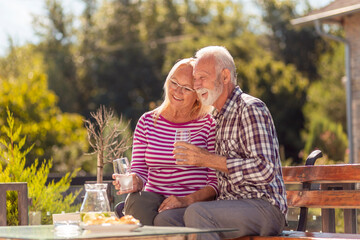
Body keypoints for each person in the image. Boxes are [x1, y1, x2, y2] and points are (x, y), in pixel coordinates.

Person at [168, 46, 287, 239]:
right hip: (227, 207)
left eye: (202, 77)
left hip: (264, 208)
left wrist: (207, 160)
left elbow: (265, 169)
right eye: (195, 79)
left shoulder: (250, 108)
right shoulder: (217, 117)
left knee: (198, 213)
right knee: (167, 220)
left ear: (225, 76)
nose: (196, 85)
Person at [112, 58, 219, 226]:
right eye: (174, 82)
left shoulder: (208, 124)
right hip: (154, 198)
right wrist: (134, 180)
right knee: (136, 201)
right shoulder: (147, 121)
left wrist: (185, 200)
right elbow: (139, 170)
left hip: (190, 202)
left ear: (198, 95)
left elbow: (215, 182)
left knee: (164, 220)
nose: (177, 91)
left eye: (186, 88)